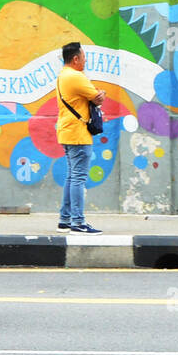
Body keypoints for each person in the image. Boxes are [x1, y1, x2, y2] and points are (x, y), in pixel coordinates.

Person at [56, 41, 106, 235]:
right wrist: (100, 94)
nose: (85, 61)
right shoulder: (76, 76)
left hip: (67, 130)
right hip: (78, 133)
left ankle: (65, 219)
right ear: (75, 59)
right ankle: (78, 222)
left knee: (71, 176)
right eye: (84, 57)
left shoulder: (62, 75)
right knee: (78, 178)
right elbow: (97, 98)